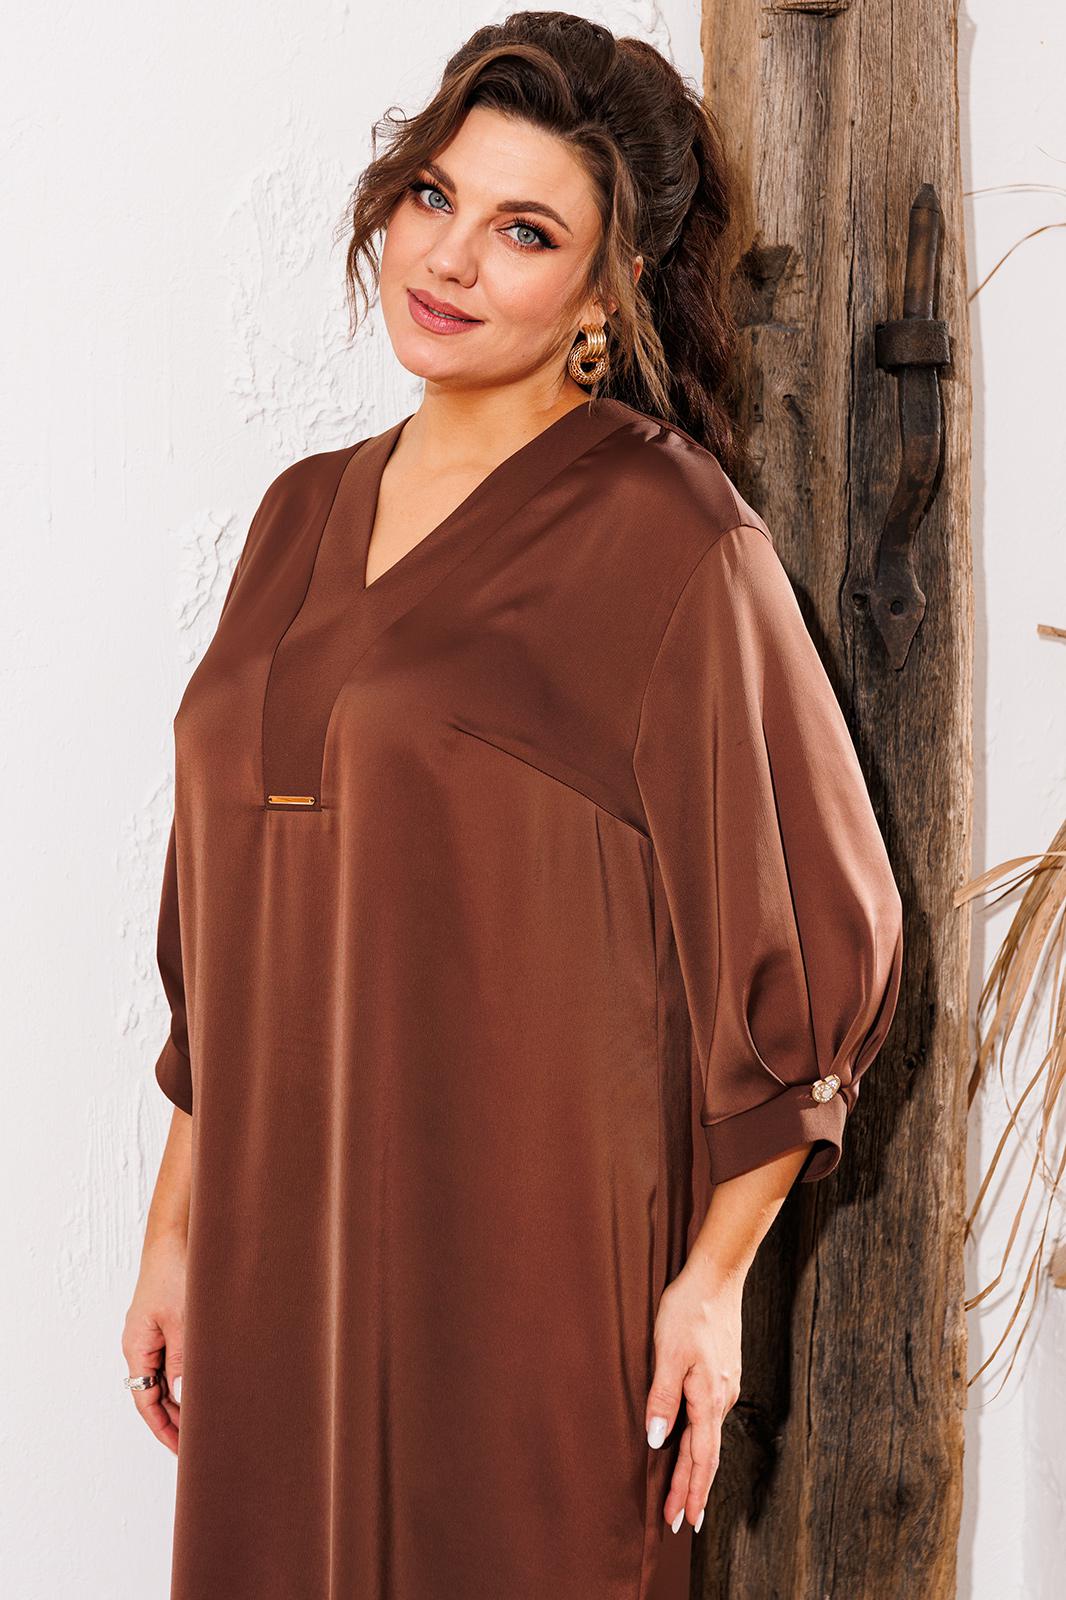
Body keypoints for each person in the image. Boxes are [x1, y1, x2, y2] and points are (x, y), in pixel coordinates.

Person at [122, 13, 904, 1599]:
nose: (451, 258)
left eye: (524, 231)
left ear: (608, 291)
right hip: (277, 1274)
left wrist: (712, 1282)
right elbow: (225, 933)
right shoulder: (295, 517)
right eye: (435, 195)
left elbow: (820, 935)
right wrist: (175, 1232)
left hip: (524, 1285)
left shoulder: (666, 533)